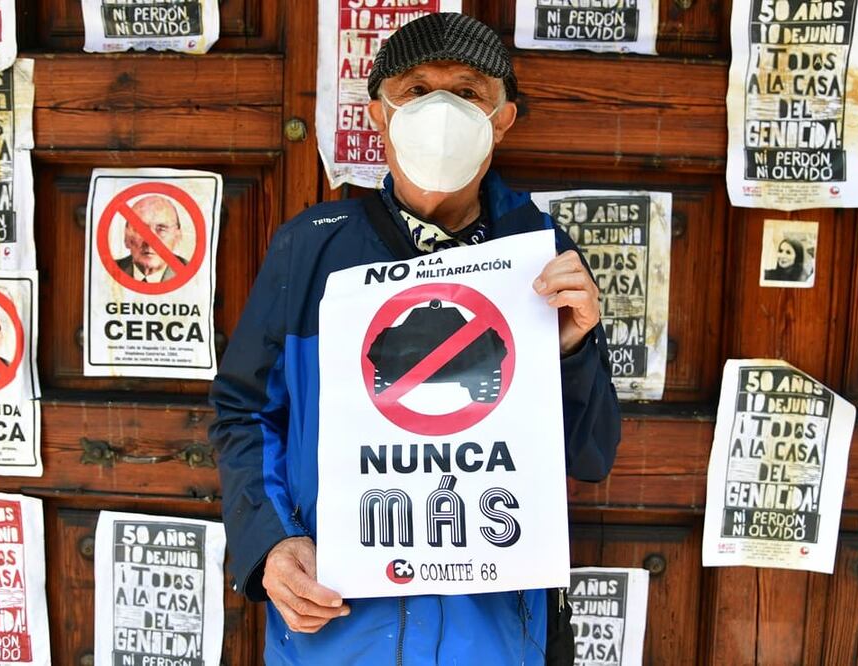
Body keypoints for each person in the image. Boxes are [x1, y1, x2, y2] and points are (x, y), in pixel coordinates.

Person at [210, 13, 621, 664]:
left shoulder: (544, 255)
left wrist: (570, 352)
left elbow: (590, 456)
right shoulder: (310, 250)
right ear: (380, 114)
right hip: (339, 632)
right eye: (417, 89)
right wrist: (272, 542)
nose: (441, 112)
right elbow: (245, 412)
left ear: (502, 119)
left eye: (467, 92)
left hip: (494, 636)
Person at [116, 194, 187, 282]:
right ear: (126, 237)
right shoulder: (109, 271)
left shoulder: (194, 276)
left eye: (161, 229)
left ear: (177, 237)